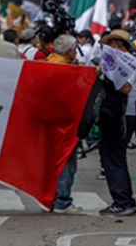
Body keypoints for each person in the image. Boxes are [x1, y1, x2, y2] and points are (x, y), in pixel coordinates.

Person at [97, 30, 136, 216]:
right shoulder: (117, 62)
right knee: (114, 157)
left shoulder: (128, 63)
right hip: (113, 113)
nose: (108, 47)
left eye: (111, 43)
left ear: (117, 44)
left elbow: (127, 87)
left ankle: (122, 202)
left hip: (122, 114)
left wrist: (108, 78)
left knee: (113, 158)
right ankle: (125, 200)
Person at [45, 35, 82, 214]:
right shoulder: (67, 71)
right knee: (66, 162)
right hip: (65, 124)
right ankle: (62, 201)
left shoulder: (47, 64)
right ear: (68, 52)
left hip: (48, 122)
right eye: (75, 49)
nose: (76, 52)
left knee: (51, 162)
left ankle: (50, 198)